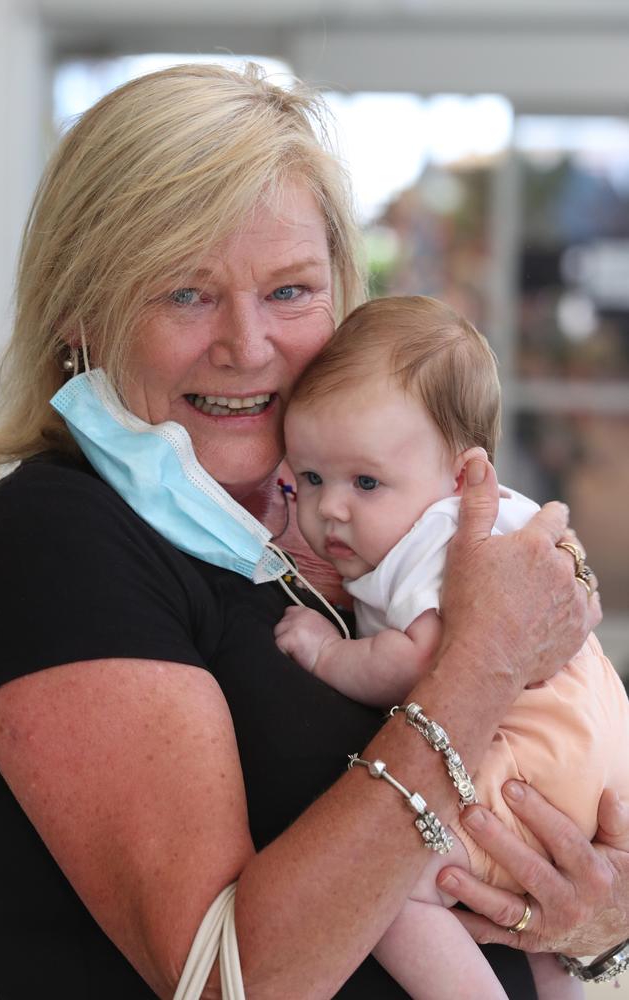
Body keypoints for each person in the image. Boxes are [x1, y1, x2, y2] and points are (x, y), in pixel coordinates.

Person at [0, 63, 626, 1000]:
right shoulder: (49, 538)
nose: (248, 345)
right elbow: (227, 982)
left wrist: (596, 913)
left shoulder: (326, 524)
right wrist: (482, 656)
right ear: (80, 310)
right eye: (185, 294)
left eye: (289, 292)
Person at [274, 294, 629, 998]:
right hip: (593, 753)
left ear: (462, 478)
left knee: (389, 885)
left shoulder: (433, 542)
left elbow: (413, 660)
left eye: (365, 482)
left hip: (531, 756)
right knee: (547, 919)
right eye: (310, 479)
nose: (330, 509)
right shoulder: (503, 514)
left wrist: (323, 652)